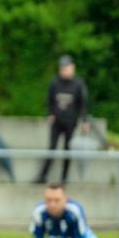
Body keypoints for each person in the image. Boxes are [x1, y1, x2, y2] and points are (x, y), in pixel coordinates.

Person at [34, 55, 90, 184]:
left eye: (67, 67)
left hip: (71, 121)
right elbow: (50, 100)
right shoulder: (55, 82)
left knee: (67, 149)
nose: (65, 70)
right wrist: (50, 114)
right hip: (57, 121)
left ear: (72, 68)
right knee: (52, 148)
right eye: (62, 68)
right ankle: (43, 175)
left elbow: (83, 103)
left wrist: (84, 120)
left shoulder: (78, 83)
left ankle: (64, 177)